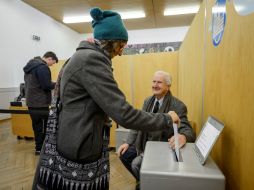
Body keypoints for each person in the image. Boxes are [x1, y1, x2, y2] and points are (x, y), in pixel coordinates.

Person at [32, 8, 180, 190]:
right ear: (111, 43)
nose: (121, 53)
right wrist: (167, 118)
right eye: (120, 46)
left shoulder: (80, 56)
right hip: (80, 144)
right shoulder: (91, 60)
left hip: (72, 137)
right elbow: (124, 114)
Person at [118, 71, 196, 190]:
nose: (155, 85)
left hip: (161, 147)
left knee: (135, 164)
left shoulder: (178, 106)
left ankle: (148, 182)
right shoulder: (147, 101)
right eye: (154, 81)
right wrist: (127, 142)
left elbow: (187, 130)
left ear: (168, 86)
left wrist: (183, 136)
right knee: (124, 154)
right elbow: (138, 123)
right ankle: (145, 181)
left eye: (159, 82)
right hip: (143, 143)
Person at [23, 51, 58, 155]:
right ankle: (41, 149)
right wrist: (57, 83)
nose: (51, 65)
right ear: (49, 59)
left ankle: (38, 147)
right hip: (40, 103)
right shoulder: (42, 67)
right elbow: (46, 85)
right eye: (53, 63)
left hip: (31, 102)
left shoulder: (30, 66)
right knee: (42, 127)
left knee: (37, 126)